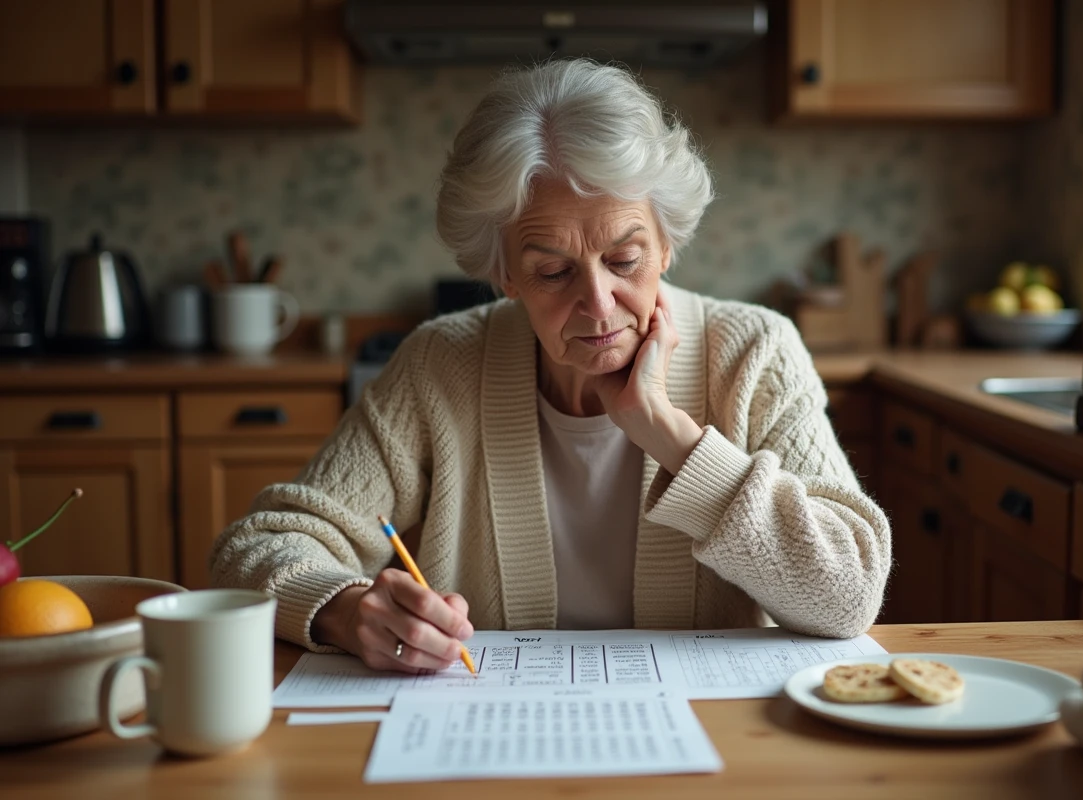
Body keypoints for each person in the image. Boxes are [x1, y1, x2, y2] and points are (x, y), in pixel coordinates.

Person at [210, 59, 891, 674]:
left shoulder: (755, 351)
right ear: (504, 273)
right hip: (490, 733)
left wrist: (668, 436)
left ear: (667, 245)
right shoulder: (440, 363)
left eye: (625, 261)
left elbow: (849, 594)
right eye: (552, 271)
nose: (598, 304)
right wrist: (346, 606)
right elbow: (258, 548)